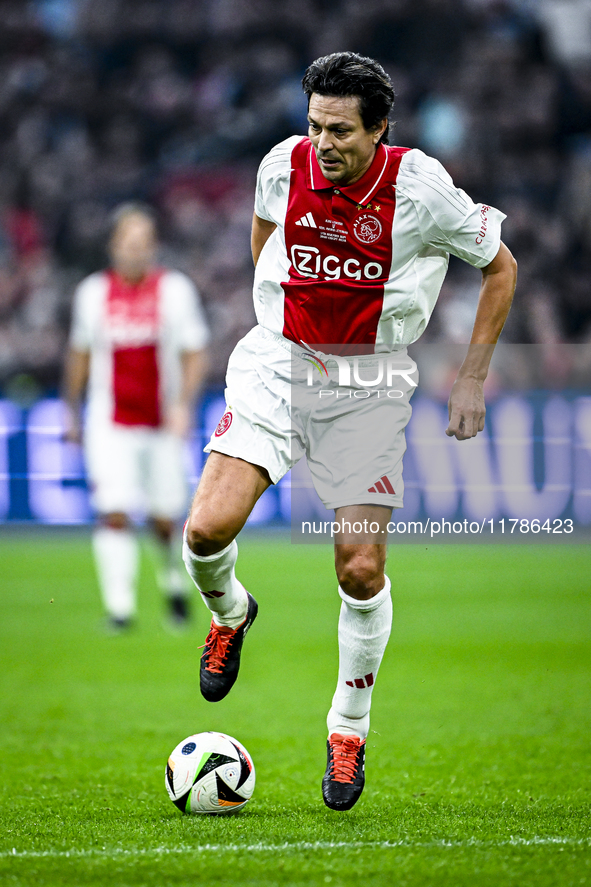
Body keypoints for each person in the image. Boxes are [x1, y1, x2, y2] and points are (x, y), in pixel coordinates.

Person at [182, 52, 517, 810]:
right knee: (204, 531)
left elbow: (500, 267)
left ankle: (347, 730)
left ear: (378, 130)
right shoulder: (282, 163)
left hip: (367, 381)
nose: (322, 142)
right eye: (313, 125)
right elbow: (264, 232)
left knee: (359, 569)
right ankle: (231, 612)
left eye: (338, 129)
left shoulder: (420, 188)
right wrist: (276, 315)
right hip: (277, 364)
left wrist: (469, 378)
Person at [64, 203, 210, 630]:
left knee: (165, 517)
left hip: (162, 421)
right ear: (114, 246)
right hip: (109, 422)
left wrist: (183, 403)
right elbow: (79, 354)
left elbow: (195, 352)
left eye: (144, 243)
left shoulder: (175, 290)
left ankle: (173, 587)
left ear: (154, 247)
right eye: (129, 243)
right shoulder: (92, 293)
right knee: (113, 510)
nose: (136, 251)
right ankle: (120, 609)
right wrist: (72, 412)